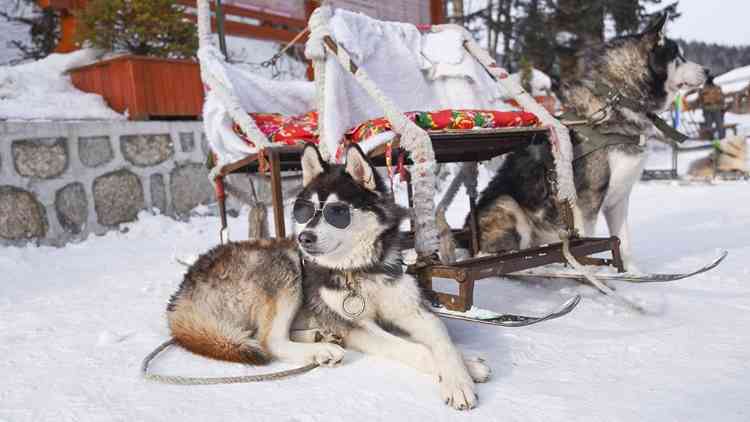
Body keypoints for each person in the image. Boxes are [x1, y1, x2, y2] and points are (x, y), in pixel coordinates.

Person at [699, 74, 726, 139]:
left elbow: (722, 98)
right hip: (707, 110)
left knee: (719, 125)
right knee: (709, 126)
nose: (710, 81)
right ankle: (711, 138)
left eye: (711, 79)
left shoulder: (717, 88)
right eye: (709, 79)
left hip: (717, 109)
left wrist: (722, 109)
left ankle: (722, 138)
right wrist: (703, 110)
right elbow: (701, 100)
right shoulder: (702, 89)